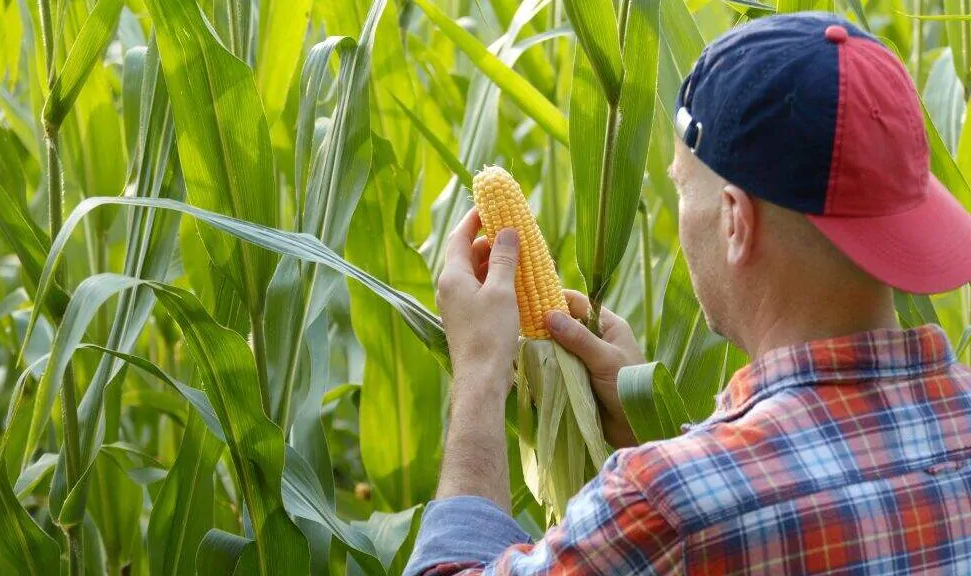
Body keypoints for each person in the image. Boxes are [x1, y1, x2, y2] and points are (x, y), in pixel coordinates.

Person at [404, 11, 971, 575]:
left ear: (734, 221)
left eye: (680, 184)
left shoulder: (667, 504)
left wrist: (480, 372)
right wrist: (646, 434)